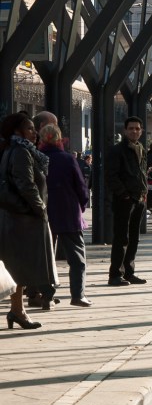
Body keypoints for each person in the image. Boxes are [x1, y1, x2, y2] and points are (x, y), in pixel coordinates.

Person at [0, 113, 56, 329]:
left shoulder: (13, 150)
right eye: (30, 129)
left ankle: (17, 310)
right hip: (22, 219)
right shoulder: (21, 151)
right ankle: (18, 311)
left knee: (18, 266)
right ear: (17, 131)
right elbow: (26, 184)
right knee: (20, 267)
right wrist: (39, 209)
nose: (35, 133)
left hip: (17, 217)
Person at [38, 125, 92, 307]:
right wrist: (82, 206)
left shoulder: (37, 159)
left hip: (44, 214)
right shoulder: (68, 159)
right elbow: (81, 187)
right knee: (77, 257)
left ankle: (46, 295)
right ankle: (78, 294)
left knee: (46, 256)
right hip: (69, 212)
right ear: (59, 138)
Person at [104, 117, 148, 286]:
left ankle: (129, 272)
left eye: (137, 128)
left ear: (141, 131)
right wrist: (124, 194)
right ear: (125, 131)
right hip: (125, 200)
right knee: (122, 237)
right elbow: (111, 175)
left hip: (139, 198)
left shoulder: (141, 149)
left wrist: (143, 194)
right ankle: (115, 274)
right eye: (131, 128)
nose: (134, 131)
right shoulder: (117, 151)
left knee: (134, 237)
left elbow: (142, 173)